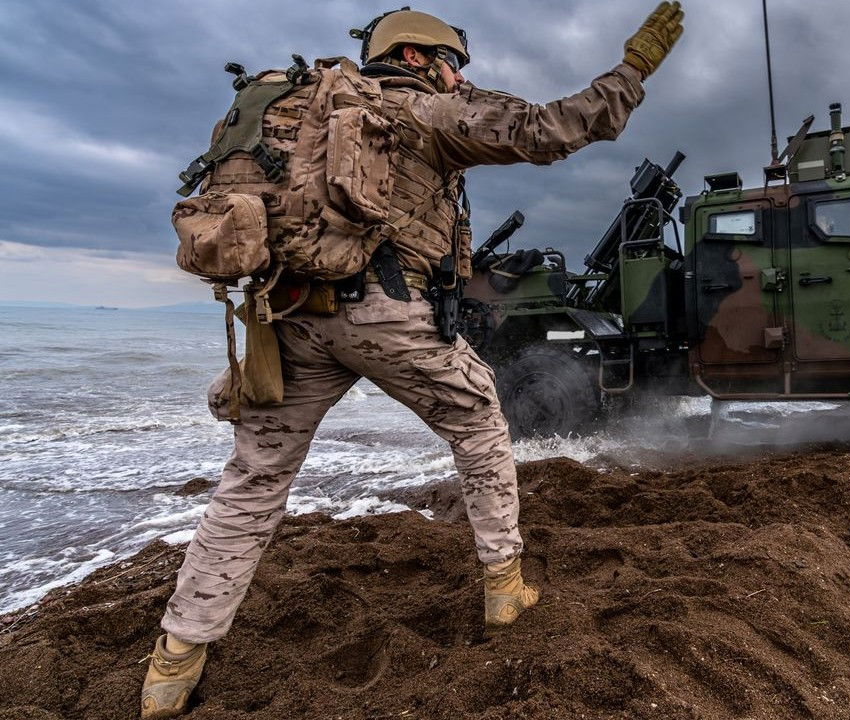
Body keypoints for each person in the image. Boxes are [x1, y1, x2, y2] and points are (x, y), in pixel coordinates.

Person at [139, 4, 684, 718]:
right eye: (454, 63)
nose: (461, 77)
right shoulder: (425, 112)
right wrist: (634, 67)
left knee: (250, 487)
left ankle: (173, 663)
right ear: (423, 59)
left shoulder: (308, 110)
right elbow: (555, 128)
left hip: (293, 319)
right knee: (482, 427)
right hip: (391, 316)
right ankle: (504, 589)